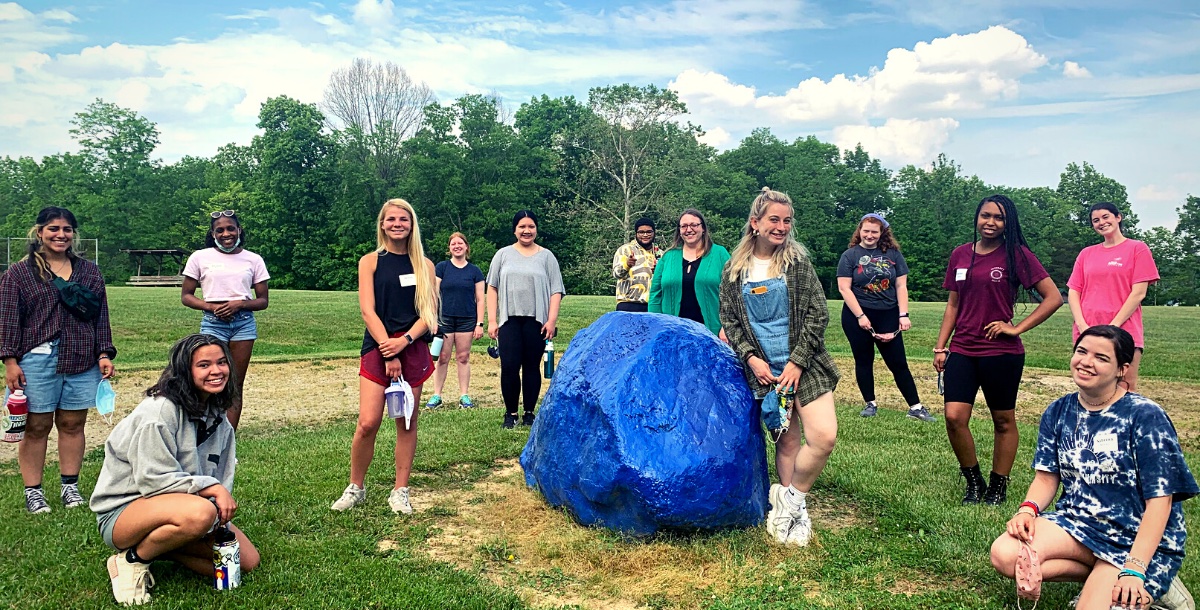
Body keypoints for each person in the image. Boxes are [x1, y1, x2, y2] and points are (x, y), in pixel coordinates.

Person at [989, 325, 1196, 610]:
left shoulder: (1146, 416)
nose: (1086, 361)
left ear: (1122, 369)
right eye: (1081, 351)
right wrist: (1027, 509)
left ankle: (1151, 585)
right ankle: (1102, 577)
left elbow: (1161, 502)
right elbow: (1047, 477)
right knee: (1006, 553)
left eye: (1101, 357)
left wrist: (1134, 568)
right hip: (1081, 524)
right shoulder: (1058, 411)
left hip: (1135, 537)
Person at [90, 334, 261, 606]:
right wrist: (212, 492)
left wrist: (219, 519)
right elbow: (153, 480)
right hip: (124, 512)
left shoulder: (219, 416)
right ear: (184, 370)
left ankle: (162, 546)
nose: (216, 371)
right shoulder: (158, 413)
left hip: (183, 507)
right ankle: (131, 560)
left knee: (245, 561)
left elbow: (222, 476)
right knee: (200, 513)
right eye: (204, 365)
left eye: (221, 362)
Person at [719, 187, 840, 547]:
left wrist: (797, 362)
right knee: (786, 442)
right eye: (774, 219)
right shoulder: (734, 270)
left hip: (805, 363)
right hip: (765, 372)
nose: (782, 227)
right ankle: (793, 518)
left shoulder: (797, 263)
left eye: (787, 221)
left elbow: (819, 314)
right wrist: (752, 359)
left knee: (823, 437)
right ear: (755, 223)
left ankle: (790, 501)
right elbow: (730, 321)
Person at [933, 194, 1062, 506]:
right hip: (962, 349)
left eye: (999, 218)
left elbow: (1053, 297)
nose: (990, 222)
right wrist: (941, 346)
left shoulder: (1017, 255)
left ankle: (998, 486)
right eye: (986, 216)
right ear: (977, 218)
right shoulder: (960, 254)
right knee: (954, 416)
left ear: (1008, 224)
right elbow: (953, 304)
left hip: (1001, 353)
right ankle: (974, 481)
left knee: (1003, 420)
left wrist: (1016, 328)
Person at [0, 206, 115, 515]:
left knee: (72, 423)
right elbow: (8, 320)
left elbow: (100, 316)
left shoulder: (89, 272)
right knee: (37, 426)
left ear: (73, 234)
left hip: (81, 356)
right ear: (40, 232)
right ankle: (33, 492)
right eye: (53, 229)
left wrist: (104, 352)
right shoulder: (19, 273)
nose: (60, 235)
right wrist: (10, 361)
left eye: (66, 229)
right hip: (37, 360)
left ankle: (69, 486)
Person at [331, 199, 437, 514]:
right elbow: (368, 309)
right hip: (378, 348)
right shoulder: (370, 262)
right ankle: (355, 487)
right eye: (391, 219)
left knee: (406, 420)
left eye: (403, 219)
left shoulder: (425, 265)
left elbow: (429, 315)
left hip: (412, 347)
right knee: (368, 421)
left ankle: (400, 490)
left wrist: (403, 342)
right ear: (382, 223)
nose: (397, 224)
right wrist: (388, 348)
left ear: (411, 224)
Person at [836, 213, 935, 422]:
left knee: (898, 362)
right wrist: (860, 316)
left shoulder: (894, 255)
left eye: (874, 231)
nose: (870, 235)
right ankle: (870, 403)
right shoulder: (850, 255)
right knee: (864, 360)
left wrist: (903, 314)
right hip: (857, 313)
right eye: (866, 231)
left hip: (888, 312)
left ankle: (915, 408)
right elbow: (844, 288)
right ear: (859, 231)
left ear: (881, 234)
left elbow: (901, 285)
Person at [181, 210, 270, 430]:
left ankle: (228, 439)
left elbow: (263, 300)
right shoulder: (200, 257)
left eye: (230, 228)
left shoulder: (253, 259)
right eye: (219, 230)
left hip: (243, 323)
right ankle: (205, 432)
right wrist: (210, 307)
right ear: (212, 234)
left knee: (235, 384)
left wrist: (239, 304)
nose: (226, 233)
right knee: (209, 381)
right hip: (213, 322)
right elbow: (186, 296)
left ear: (239, 230)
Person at [1068, 202, 1159, 392]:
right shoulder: (1086, 253)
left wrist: (1112, 327)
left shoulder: (1137, 249)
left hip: (1124, 329)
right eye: (1096, 220)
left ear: (1118, 217)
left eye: (1105, 217)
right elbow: (1074, 291)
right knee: (1090, 387)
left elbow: (1139, 293)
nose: (1101, 222)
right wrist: (1082, 325)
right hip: (1088, 329)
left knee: (1124, 385)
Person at [487, 210, 565, 429]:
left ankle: (529, 413)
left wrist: (551, 320)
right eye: (522, 226)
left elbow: (556, 291)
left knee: (532, 366)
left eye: (531, 226)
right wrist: (492, 320)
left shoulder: (547, 256)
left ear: (536, 229)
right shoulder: (502, 255)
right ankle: (510, 413)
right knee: (509, 366)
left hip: (536, 321)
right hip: (509, 321)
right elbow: (491, 287)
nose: (526, 231)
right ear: (515, 230)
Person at [648, 208, 731, 337]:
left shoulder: (720, 254)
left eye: (694, 225)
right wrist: (655, 325)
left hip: (712, 333)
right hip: (673, 333)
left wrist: (726, 327)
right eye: (684, 226)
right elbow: (655, 295)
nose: (689, 229)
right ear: (679, 231)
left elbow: (733, 294)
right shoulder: (668, 256)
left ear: (703, 228)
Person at [426, 232, 485, 410]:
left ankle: (464, 396)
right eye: (453, 244)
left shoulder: (475, 271)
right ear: (449, 248)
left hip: (467, 320)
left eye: (460, 243)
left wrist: (479, 324)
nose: (457, 246)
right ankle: (437, 395)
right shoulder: (442, 268)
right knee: (442, 357)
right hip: (444, 320)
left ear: (467, 247)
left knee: (463, 357)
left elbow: (480, 299)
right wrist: (433, 320)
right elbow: (434, 296)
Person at [612, 217, 660, 312]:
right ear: (636, 234)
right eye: (641, 232)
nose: (645, 235)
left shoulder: (660, 254)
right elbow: (616, 274)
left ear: (654, 233)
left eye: (649, 232)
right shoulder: (625, 250)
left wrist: (658, 271)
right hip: (628, 305)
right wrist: (627, 265)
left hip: (652, 306)